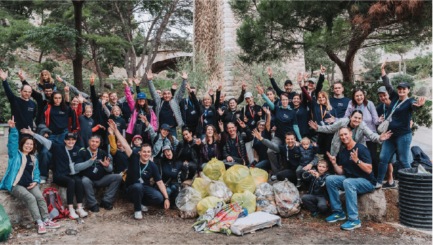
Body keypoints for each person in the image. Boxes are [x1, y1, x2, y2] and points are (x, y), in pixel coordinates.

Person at [0, 117, 60, 234]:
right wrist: (13, 129)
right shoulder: (15, 155)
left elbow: (36, 172)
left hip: (30, 184)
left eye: (31, 144)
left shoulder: (34, 158)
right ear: (22, 145)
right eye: (27, 144)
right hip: (15, 185)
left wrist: (36, 180)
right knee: (31, 198)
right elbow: (12, 143)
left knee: (40, 197)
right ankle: (39, 222)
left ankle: (47, 220)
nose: (29, 146)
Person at [20, 127, 90, 219]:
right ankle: (70, 209)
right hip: (59, 175)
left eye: (73, 140)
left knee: (78, 181)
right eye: (68, 140)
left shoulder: (77, 149)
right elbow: (44, 141)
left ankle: (79, 208)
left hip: (72, 174)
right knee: (71, 182)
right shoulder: (57, 147)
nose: (70, 142)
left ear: (75, 141)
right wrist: (32, 134)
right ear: (64, 140)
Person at [377, 60, 425, 188]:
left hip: (403, 136)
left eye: (404, 89)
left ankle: (410, 185)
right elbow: (387, 83)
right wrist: (382, 70)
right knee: (383, 158)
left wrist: (419, 106)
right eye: (399, 89)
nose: (401, 90)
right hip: (390, 135)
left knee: (404, 160)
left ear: (408, 90)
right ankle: (378, 183)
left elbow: (414, 107)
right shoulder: (393, 97)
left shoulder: (410, 101)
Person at [108, 119, 170, 220]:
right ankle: (137, 210)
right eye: (144, 151)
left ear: (151, 153)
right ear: (140, 153)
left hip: (144, 187)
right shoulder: (134, 157)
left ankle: (141, 202)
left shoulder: (152, 165)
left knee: (159, 198)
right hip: (131, 188)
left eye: (148, 152)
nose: (146, 154)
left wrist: (166, 198)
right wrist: (115, 130)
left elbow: (159, 182)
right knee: (138, 186)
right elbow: (125, 144)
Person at [325, 127, 377, 231]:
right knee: (330, 179)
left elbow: (369, 170)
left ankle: (354, 219)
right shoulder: (343, 152)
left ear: (351, 133)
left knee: (348, 182)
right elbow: (341, 172)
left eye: (345, 134)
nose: (343, 137)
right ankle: (338, 212)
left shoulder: (361, 149)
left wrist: (357, 161)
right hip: (350, 179)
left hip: (367, 181)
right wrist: (334, 164)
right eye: (341, 135)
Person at [257, 85, 302, 179]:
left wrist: (300, 139)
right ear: (280, 101)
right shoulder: (277, 109)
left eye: (286, 100)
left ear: (288, 101)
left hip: (289, 138)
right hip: (278, 136)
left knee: (287, 154)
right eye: (283, 100)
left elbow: (296, 126)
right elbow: (270, 103)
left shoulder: (292, 112)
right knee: (270, 151)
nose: (284, 101)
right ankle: (276, 172)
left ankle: (286, 173)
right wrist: (263, 95)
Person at [308, 110, 392, 157]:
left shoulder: (362, 125)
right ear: (350, 117)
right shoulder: (342, 122)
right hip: (340, 147)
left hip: (355, 148)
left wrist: (379, 137)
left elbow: (371, 135)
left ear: (361, 119)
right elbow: (330, 128)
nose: (357, 120)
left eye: (359, 118)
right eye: (355, 117)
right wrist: (318, 128)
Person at [77, 134, 123, 212]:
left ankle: (106, 201)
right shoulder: (83, 152)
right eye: (93, 141)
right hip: (89, 180)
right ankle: (93, 204)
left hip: (101, 179)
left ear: (99, 143)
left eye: (96, 142)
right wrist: (90, 161)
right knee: (84, 180)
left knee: (118, 177)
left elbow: (110, 169)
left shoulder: (102, 153)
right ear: (89, 141)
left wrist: (107, 166)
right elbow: (77, 167)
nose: (94, 143)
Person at [252, 130, 317, 183]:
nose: (290, 141)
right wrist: (261, 139)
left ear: (295, 139)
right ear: (285, 140)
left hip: (304, 168)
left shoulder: (302, 146)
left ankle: (303, 184)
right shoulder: (284, 148)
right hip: (293, 171)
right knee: (280, 175)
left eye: (292, 139)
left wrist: (311, 164)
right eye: (288, 139)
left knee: (310, 176)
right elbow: (272, 146)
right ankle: (295, 183)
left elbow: (316, 157)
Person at [342, 88, 380, 176]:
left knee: (373, 158)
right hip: (357, 137)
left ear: (364, 95)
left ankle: (375, 179)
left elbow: (375, 120)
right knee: (359, 159)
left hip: (369, 136)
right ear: (354, 97)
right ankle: (362, 177)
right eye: (357, 96)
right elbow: (346, 117)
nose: (359, 97)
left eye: (361, 95)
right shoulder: (351, 104)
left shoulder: (369, 104)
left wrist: (380, 120)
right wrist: (336, 121)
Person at [147, 69, 188, 138]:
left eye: (168, 94)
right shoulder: (159, 101)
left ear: (171, 94)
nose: (167, 95)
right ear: (162, 95)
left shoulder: (175, 100)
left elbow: (181, 91)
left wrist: (184, 80)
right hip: (161, 130)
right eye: (165, 94)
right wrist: (149, 80)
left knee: (174, 146)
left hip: (172, 129)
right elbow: (153, 92)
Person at [301, 84, 335, 163]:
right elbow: (307, 96)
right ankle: (314, 167)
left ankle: (328, 169)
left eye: (323, 97)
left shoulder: (332, 109)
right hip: (317, 133)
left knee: (327, 152)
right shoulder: (315, 106)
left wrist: (335, 120)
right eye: (319, 97)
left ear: (326, 98)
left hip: (328, 134)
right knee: (315, 150)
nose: (321, 99)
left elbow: (336, 121)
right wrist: (301, 85)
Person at [1, 69, 36, 139]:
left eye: (29, 92)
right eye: (25, 91)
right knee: (14, 150)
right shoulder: (15, 100)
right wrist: (4, 80)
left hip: (28, 133)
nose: (27, 93)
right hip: (15, 132)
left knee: (28, 149)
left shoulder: (33, 104)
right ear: (20, 91)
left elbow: (33, 117)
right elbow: (8, 92)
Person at [124, 79, 157, 144]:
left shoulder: (150, 109)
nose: (141, 100)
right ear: (137, 100)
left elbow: (154, 120)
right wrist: (127, 87)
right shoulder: (135, 108)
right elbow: (129, 98)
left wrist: (153, 129)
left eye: (142, 99)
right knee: (137, 147)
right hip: (137, 131)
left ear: (145, 100)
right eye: (139, 99)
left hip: (147, 132)